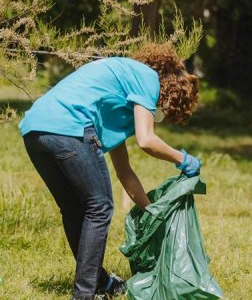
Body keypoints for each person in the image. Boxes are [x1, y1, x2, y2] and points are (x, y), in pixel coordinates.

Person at [19, 44, 201, 300]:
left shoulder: (121, 97)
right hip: (69, 127)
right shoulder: (148, 79)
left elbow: (124, 172)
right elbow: (147, 140)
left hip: (35, 130)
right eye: (167, 109)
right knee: (99, 207)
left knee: (75, 210)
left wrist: (151, 212)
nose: (160, 114)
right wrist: (182, 159)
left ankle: (100, 282)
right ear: (169, 91)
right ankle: (84, 294)